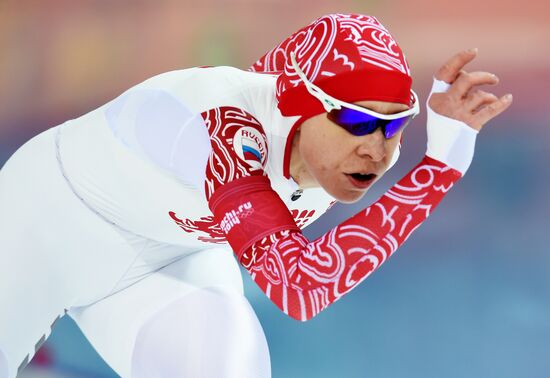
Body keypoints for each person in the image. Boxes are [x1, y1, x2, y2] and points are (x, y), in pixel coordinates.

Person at [0, 13, 511, 378]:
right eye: (357, 120)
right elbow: (302, 287)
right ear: (301, 102)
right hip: (43, 224)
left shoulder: (350, 149)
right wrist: (440, 169)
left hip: (168, 262)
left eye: (396, 124)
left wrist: (436, 148)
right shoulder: (218, 125)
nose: (376, 150)